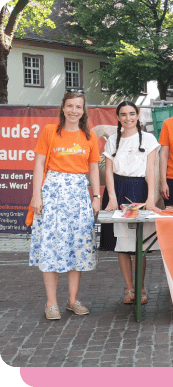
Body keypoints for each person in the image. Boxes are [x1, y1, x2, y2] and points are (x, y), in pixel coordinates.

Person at [29, 91, 101, 320]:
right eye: (69, 106)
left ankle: (72, 300)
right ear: (62, 108)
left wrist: (97, 196)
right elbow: (39, 164)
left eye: (78, 107)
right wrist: (37, 196)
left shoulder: (90, 137)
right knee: (50, 246)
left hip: (79, 196)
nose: (73, 111)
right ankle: (51, 303)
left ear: (83, 110)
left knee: (77, 246)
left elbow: (93, 168)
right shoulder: (50, 131)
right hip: (52, 193)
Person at [100, 101, 161, 305]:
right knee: (121, 244)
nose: (128, 118)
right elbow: (108, 170)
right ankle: (129, 289)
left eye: (132, 114)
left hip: (139, 191)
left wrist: (150, 198)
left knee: (138, 245)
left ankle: (141, 288)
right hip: (117, 190)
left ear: (138, 115)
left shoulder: (149, 139)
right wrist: (112, 198)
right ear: (118, 117)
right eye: (123, 114)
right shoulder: (112, 140)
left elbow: (151, 170)